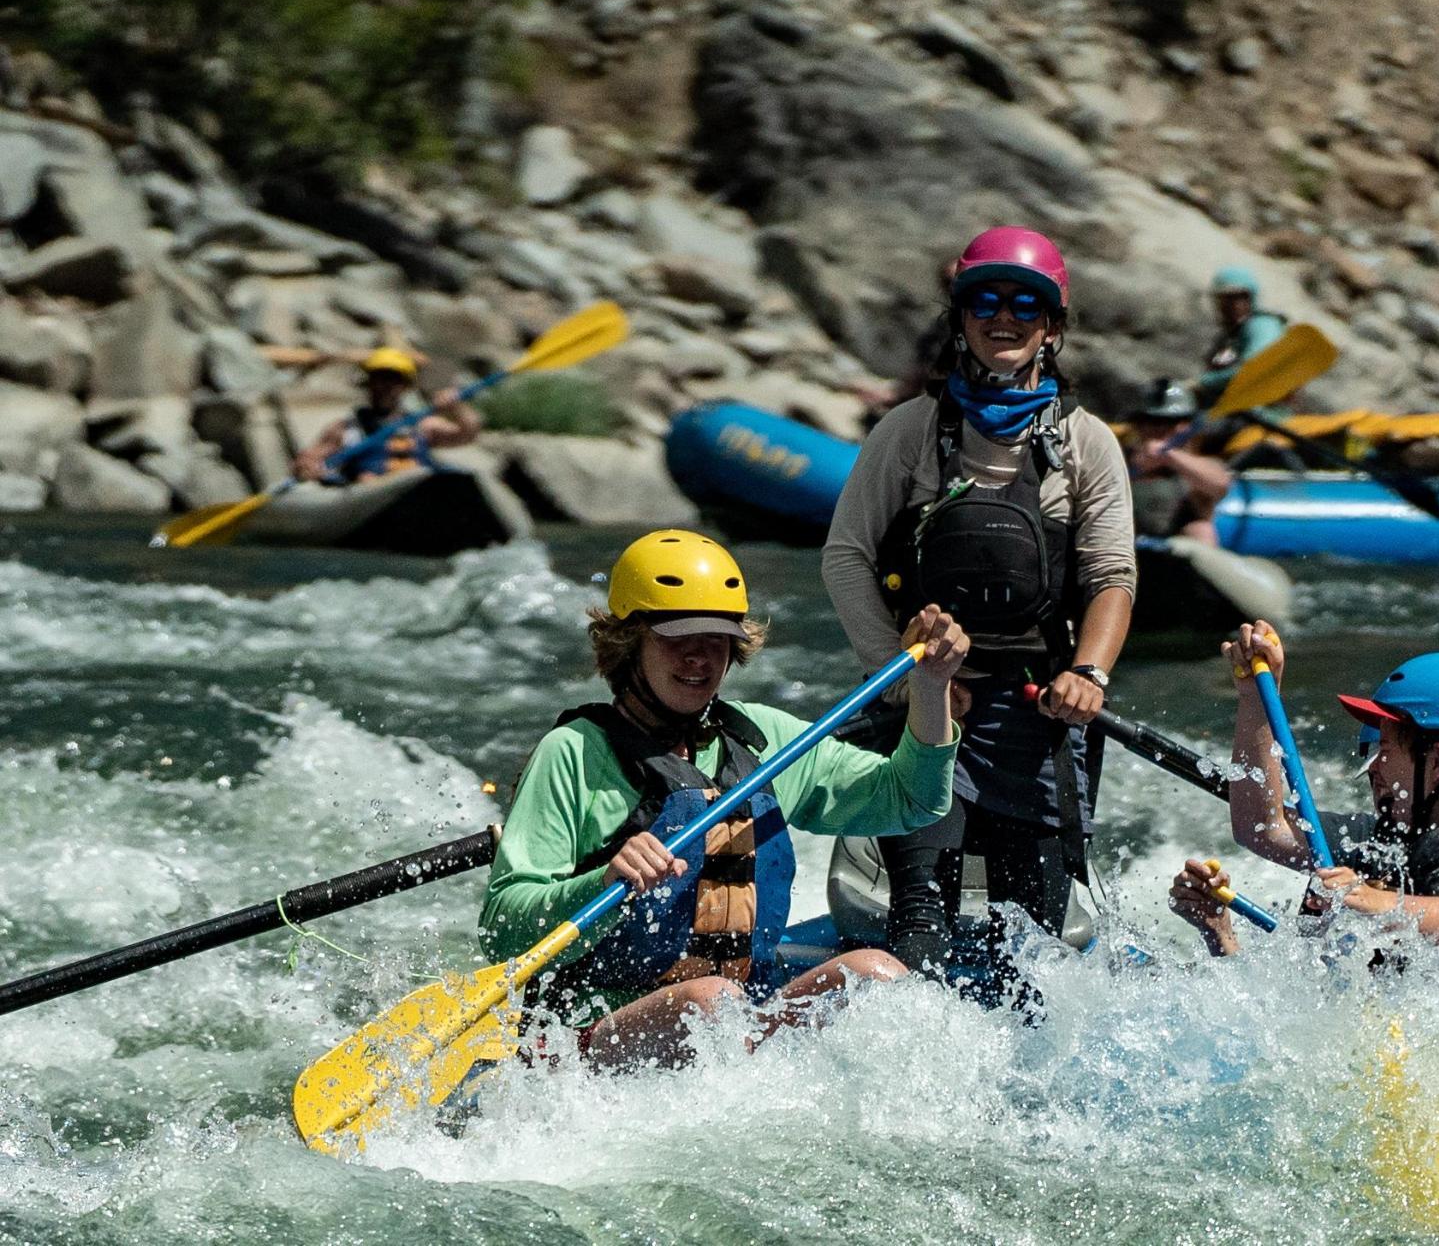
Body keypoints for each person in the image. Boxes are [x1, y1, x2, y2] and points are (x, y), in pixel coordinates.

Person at [481, 529, 971, 1068]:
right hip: (586, 1040)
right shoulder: (571, 753)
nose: (700, 657)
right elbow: (502, 931)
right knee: (709, 1002)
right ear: (628, 640)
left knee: (876, 975)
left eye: (716, 638)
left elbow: (913, 800)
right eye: (677, 637)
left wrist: (931, 687)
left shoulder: (764, 739)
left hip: (735, 1023)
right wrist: (600, 883)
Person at [822, 226, 1137, 989]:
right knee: (920, 911)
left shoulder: (1087, 443)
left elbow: (1110, 576)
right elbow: (846, 557)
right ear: (960, 318)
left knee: (1029, 930)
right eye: (984, 302)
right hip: (927, 713)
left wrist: (1088, 673)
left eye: (1025, 305)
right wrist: (901, 679)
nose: (1004, 318)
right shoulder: (909, 432)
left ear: (1051, 328)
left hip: (1037, 710)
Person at [1171, 622, 1439, 966]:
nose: (1373, 769)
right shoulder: (1395, 836)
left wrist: (1378, 903)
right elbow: (1263, 826)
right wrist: (1254, 698)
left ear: (1438, 762)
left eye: (1384, 750)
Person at [292, 346, 481, 483]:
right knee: (367, 479)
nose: (385, 387)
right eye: (379, 379)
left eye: (393, 381)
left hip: (417, 492)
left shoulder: (423, 425)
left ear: (405, 387)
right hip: (370, 496)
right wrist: (307, 467)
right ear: (369, 384)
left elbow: (468, 433)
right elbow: (307, 460)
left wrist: (457, 408)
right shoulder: (345, 429)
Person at [1126, 378, 1233, 545]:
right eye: (1152, 422)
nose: (1160, 429)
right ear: (1138, 425)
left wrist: (1169, 456)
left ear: (1188, 425)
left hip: (1177, 553)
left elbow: (1221, 485)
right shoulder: (1119, 459)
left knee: (1201, 531)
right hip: (1127, 546)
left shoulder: (1200, 466)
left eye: (1172, 422)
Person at [1194, 265, 1288, 407]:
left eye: (1241, 297)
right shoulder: (1229, 339)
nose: (1235, 305)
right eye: (1227, 299)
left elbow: (1255, 369)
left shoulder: (1262, 325)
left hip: (1260, 413)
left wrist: (1204, 382)